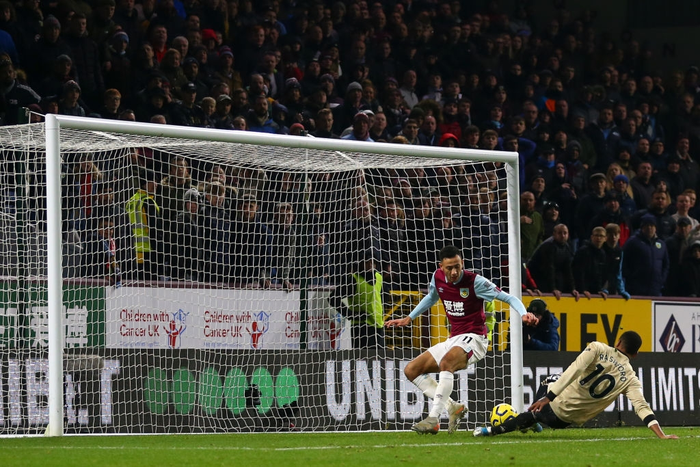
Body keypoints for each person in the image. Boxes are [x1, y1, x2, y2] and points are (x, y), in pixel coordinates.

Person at [385, 245, 537, 435]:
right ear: (441, 267)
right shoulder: (437, 277)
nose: (455, 271)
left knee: (447, 363)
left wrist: (524, 314)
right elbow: (432, 297)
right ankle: (452, 408)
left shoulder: (476, 282)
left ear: (462, 263)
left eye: (458, 266)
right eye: (450, 268)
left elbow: (509, 298)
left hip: (476, 338)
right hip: (455, 338)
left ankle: (433, 419)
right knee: (411, 370)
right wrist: (409, 318)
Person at [474, 331, 678, 440]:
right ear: (635, 354)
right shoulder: (631, 379)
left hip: (554, 404)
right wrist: (662, 435)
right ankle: (534, 421)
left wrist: (548, 397)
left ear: (617, 342)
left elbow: (574, 370)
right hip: (566, 421)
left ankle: (491, 430)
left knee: (550, 380)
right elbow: (642, 408)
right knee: (539, 413)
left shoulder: (598, 347)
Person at [329, 252, 388, 349]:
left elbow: (384, 295)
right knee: (362, 360)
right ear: (361, 263)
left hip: (378, 326)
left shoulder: (379, 277)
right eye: (367, 262)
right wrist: (351, 314)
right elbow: (333, 298)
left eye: (372, 263)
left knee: (380, 360)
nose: (370, 265)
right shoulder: (353, 280)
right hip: (361, 327)